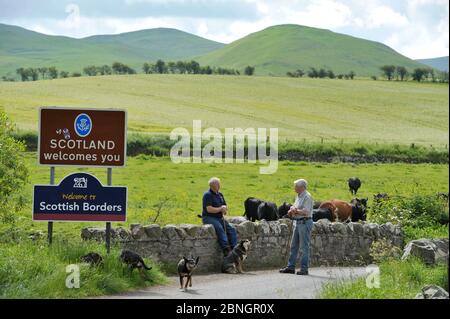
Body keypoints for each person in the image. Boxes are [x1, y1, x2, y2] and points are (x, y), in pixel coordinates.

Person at [279, 179, 314, 275]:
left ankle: (304, 269)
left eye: (296, 187)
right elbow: (294, 207)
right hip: (298, 222)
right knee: (293, 245)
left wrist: (296, 211)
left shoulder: (307, 197)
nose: (294, 188)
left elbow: (306, 211)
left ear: (301, 187)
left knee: (304, 247)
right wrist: (291, 210)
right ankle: (291, 267)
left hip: (305, 222)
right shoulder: (298, 196)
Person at [201, 177, 237, 257]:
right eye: (218, 184)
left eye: (219, 184)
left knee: (232, 229)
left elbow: (224, 205)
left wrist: (224, 209)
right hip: (209, 217)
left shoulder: (220, 195)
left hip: (219, 218)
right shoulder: (207, 195)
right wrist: (220, 208)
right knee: (220, 229)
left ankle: (235, 248)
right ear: (213, 185)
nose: (219, 185)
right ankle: (226, 249)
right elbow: (209, 209)